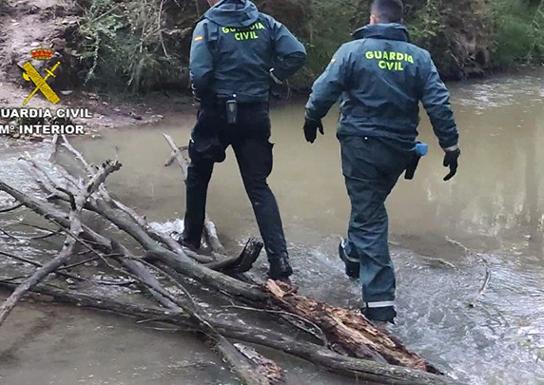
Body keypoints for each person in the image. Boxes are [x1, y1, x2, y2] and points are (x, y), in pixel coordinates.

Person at [303, 0, 460, 322]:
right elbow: (439, 104)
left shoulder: (353, 50)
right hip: (400, 149)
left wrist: (311, 117)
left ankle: (379, 303)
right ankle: (353, 258)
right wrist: (451, 145)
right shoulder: (419, 57)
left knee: (369, 215)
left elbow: (324, 89)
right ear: (399, 21)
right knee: (368, 204)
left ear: (373, 18)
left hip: (362, 144)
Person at [182, 0, 306, 282]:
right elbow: (296, 54)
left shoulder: (208, 26)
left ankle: (189, 241)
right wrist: (272, 77)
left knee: (198, 176)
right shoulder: (265, 23)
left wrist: (203, 97)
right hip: (255, 113)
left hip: (216, 113)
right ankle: (280, 261)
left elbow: (200, 75)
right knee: (258, 186)